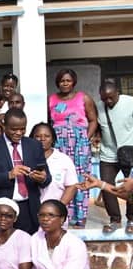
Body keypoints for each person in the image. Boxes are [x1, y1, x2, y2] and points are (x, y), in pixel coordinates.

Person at [0, 108, 51, 234]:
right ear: (4, 125)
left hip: (28, 208)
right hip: (1, 210)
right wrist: (9, 175)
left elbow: (47, 177)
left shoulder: (34, 145)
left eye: (22, 129)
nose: (19, 133)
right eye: (14, 129)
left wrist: (42, 178)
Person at [48, 68, 98, 228]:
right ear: (58, 82)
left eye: (68, 80)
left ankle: (81, 216)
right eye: (62, 80)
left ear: (73, 82)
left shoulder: (83, 98)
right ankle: (64, 214)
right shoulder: (52, 99)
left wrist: (85, 138)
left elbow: (93, 120)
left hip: (79, 145)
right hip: (59, 143)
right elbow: (49, 123)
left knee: (80, 178)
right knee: (61, 178)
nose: (65, 83)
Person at [95, 79, 133, 233]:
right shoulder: (99, 106)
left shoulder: (130, 103)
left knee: (131, 187)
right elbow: (97, 125)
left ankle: (131, 220)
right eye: (105, 98)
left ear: (118, 92)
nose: (108, 101)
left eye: (111, 97)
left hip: (130, 153)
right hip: (108, 154)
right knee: (106, 186)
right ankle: (115, 220)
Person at [30, 123, 78, 222]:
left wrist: (59, 208)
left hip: (55, 215)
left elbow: (72, 186)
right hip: (30, 213)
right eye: (38, 136)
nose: (42, 139)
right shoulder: (26, 158)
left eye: (47, 136)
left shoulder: (63, 159)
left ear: (53, 139)